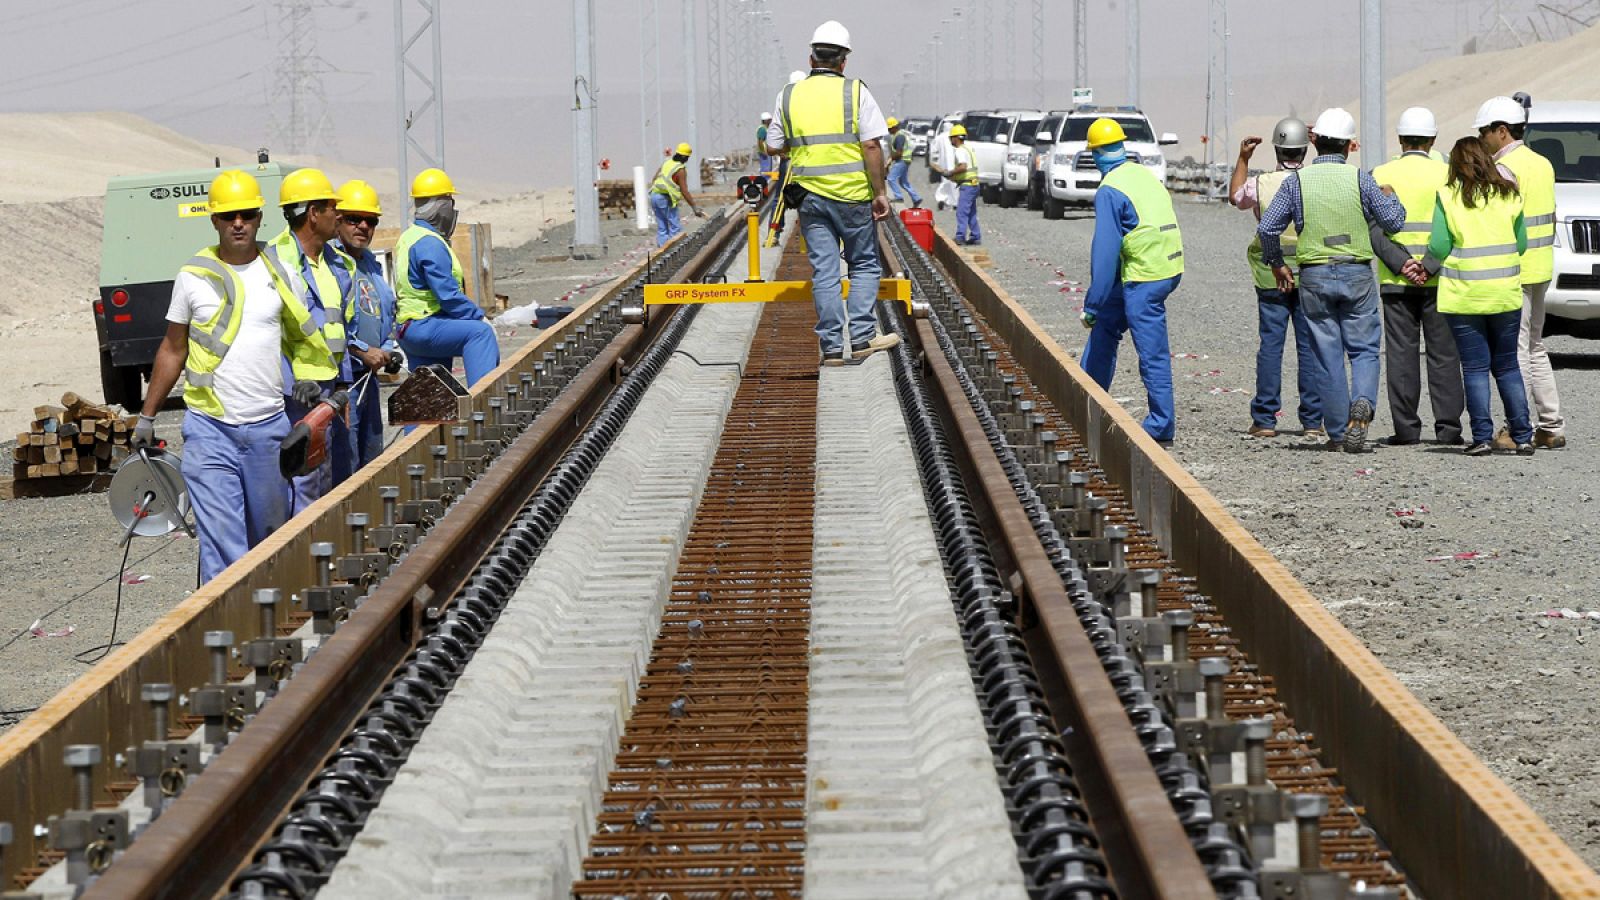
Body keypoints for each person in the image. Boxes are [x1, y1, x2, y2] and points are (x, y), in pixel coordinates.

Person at [131, 170, 336, 582]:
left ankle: (264, 622)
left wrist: (308, 377)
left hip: (268, 428)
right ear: (214, 221)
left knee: (269, 538)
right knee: (224, 544)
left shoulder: (280, 273)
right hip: (210, 430)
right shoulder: (193, 277)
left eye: (246, 214)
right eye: (228, 216)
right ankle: (224, 639)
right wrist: (147, 416)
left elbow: (300, 337)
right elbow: (173, 349)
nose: (238, 223)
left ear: (260, 217)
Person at [1258, 107, 1407, 454]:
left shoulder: (1296, 182)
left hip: (1314, 275)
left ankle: (1339, 432)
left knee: (1326, 355)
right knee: (1365, 349)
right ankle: (1363, 405)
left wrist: (1278, 264)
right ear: (1350, 146)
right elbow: (1393, 223)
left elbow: (1267, 228)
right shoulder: (1361, 179)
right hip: (1356, 272)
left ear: (1314, 140)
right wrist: (1392, 197)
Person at [767, 20, 900, 367]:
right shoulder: (856, 91)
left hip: (810, 198)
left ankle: (830, 349)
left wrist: (801, 152)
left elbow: (772, 146)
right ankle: (861, 338)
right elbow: (871, 144)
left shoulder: (788, 94)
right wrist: (880, 192)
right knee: (865, 264)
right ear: (844, 61)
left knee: (824, 272)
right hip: (853, 196)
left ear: (811, 59)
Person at [1424, 136, 1534, 456]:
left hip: (1465, 295)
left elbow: (1440, 247)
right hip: (1505, 294)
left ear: (1455, 165)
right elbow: (1522, 245)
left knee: (1474, 368)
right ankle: (1524, 436)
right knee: (1507, 366)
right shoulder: (1509, 195)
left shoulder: (1448, 196)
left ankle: (1483, 437)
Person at [1078, 117, 1184, 444]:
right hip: (1167, 264)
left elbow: (1105, 252)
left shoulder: (1109, 190)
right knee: (1107, 324)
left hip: (1145, 275)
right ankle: (1086, 396)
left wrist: (1092, 302)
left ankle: (1161, 424)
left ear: (1095, 153)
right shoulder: (1140, 174)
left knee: (1151, 351)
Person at [1369, 107, 1464, 446]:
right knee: (1444, 355)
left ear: (1400, 139)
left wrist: (1402, 264)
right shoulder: (1450, 173)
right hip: (1441, 281)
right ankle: (1449, 430)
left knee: (1401, 355)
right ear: (1433, 139)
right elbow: (1456, 227)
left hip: (1396, 282)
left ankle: (1407, 430)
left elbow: (1375, 230)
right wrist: (1429, 265)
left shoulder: (1379, 173)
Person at [1476, 94, 1565, 449]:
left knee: (1516, 352)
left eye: (1485, 131)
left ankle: (1519, 427)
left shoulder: (1505, 169)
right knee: (1535, 347)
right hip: (1542, 265)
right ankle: (1551, 425)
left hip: (1516, 270)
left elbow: (1498, 222)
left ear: (1501, 131)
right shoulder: (1542, 162)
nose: (1482, 138)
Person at [1230, 117, 1325, 440]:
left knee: (1271, 345)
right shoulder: (1314, 180)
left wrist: (1243, 159)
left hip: (1271, 273)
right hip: (1309, 273)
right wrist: (1319, 145)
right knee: (1309, 346)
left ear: (1276, 148)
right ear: (1304, 149)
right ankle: (1313, 420)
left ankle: (1265, 418)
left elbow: (1236, 197)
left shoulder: (1264, 183)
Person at [268, 167, 357, 509]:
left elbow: (340, 330)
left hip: (328, 389)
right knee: (302, 479)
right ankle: (302, 555)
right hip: (295, 395)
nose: (338, 214)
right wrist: (292, 380)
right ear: (312, 213)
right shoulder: (274, 262)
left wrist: (342, 385)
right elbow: (270, 332)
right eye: (331, 207)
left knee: (323, 478)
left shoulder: (338, 265)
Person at [395, 167, 500, 393]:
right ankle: (485, 408)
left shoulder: (410, 237)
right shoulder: (430, 242)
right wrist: (479, 317)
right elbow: (447, 295)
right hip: (425, 325)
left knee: (429, 399)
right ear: (442, 207)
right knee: (480, 334)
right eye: (450, 202)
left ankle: (420, 429)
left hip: (410, 327)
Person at [332, 179, 400, 469]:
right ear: (337, 221)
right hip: (343, 379)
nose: (362, 226)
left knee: (372, 457)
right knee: (346, 462)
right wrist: (361, 351)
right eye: (353, 219)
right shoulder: (329, 264)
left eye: (370, 220)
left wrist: (386, 348)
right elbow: (328, 325)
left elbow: (387, 312)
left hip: (369, 376)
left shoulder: (371, 264)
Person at [649, 142, 705, 247]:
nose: (687, 159)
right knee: (675, 228)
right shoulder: (680, 169)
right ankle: (675, 251)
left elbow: (654, 179)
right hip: (665, 199)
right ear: (684, 156)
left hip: (654, 196)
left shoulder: (666, 162)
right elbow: (684, 191)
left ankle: (662, 252)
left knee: (662, 227)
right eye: (687, 157)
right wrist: (694, 207)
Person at [944, 123, 981, 245]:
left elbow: (963, 167)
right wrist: (955, 178)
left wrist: (951, 173)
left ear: (955, 138)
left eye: (951, 137)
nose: (950, 140)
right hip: (974, 184)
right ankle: (975, 236)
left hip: (968, 186)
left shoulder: (959, 151)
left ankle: (960, 236)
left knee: (962, 212)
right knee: (971, 212)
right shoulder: (968, 148)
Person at [885, 117, 922, 208]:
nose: (889, 130)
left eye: (889, 128)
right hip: (905, 160)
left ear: (894, 127)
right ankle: (916, 198)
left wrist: (890, 160)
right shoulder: (898, 135)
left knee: (891, 178)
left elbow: (899, 152)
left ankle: (898, 197)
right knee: (903, 182)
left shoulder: (899, 136)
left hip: (902, 160)